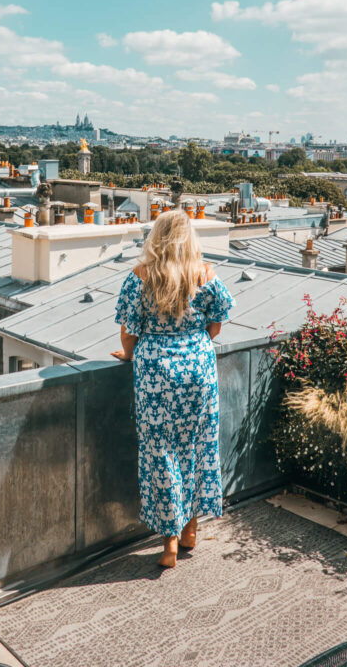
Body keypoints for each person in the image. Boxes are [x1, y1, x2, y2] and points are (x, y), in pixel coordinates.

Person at [111, 210, 234, 568]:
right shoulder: (205, 274)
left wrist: (130, 354)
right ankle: (192, 529)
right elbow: (216, 325)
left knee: (161, 452)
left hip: (156, 374)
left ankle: (169, 544)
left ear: (157, 238)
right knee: (197, 446)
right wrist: (194, 343)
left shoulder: (141, 276)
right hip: (198, 369)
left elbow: (129, 332)